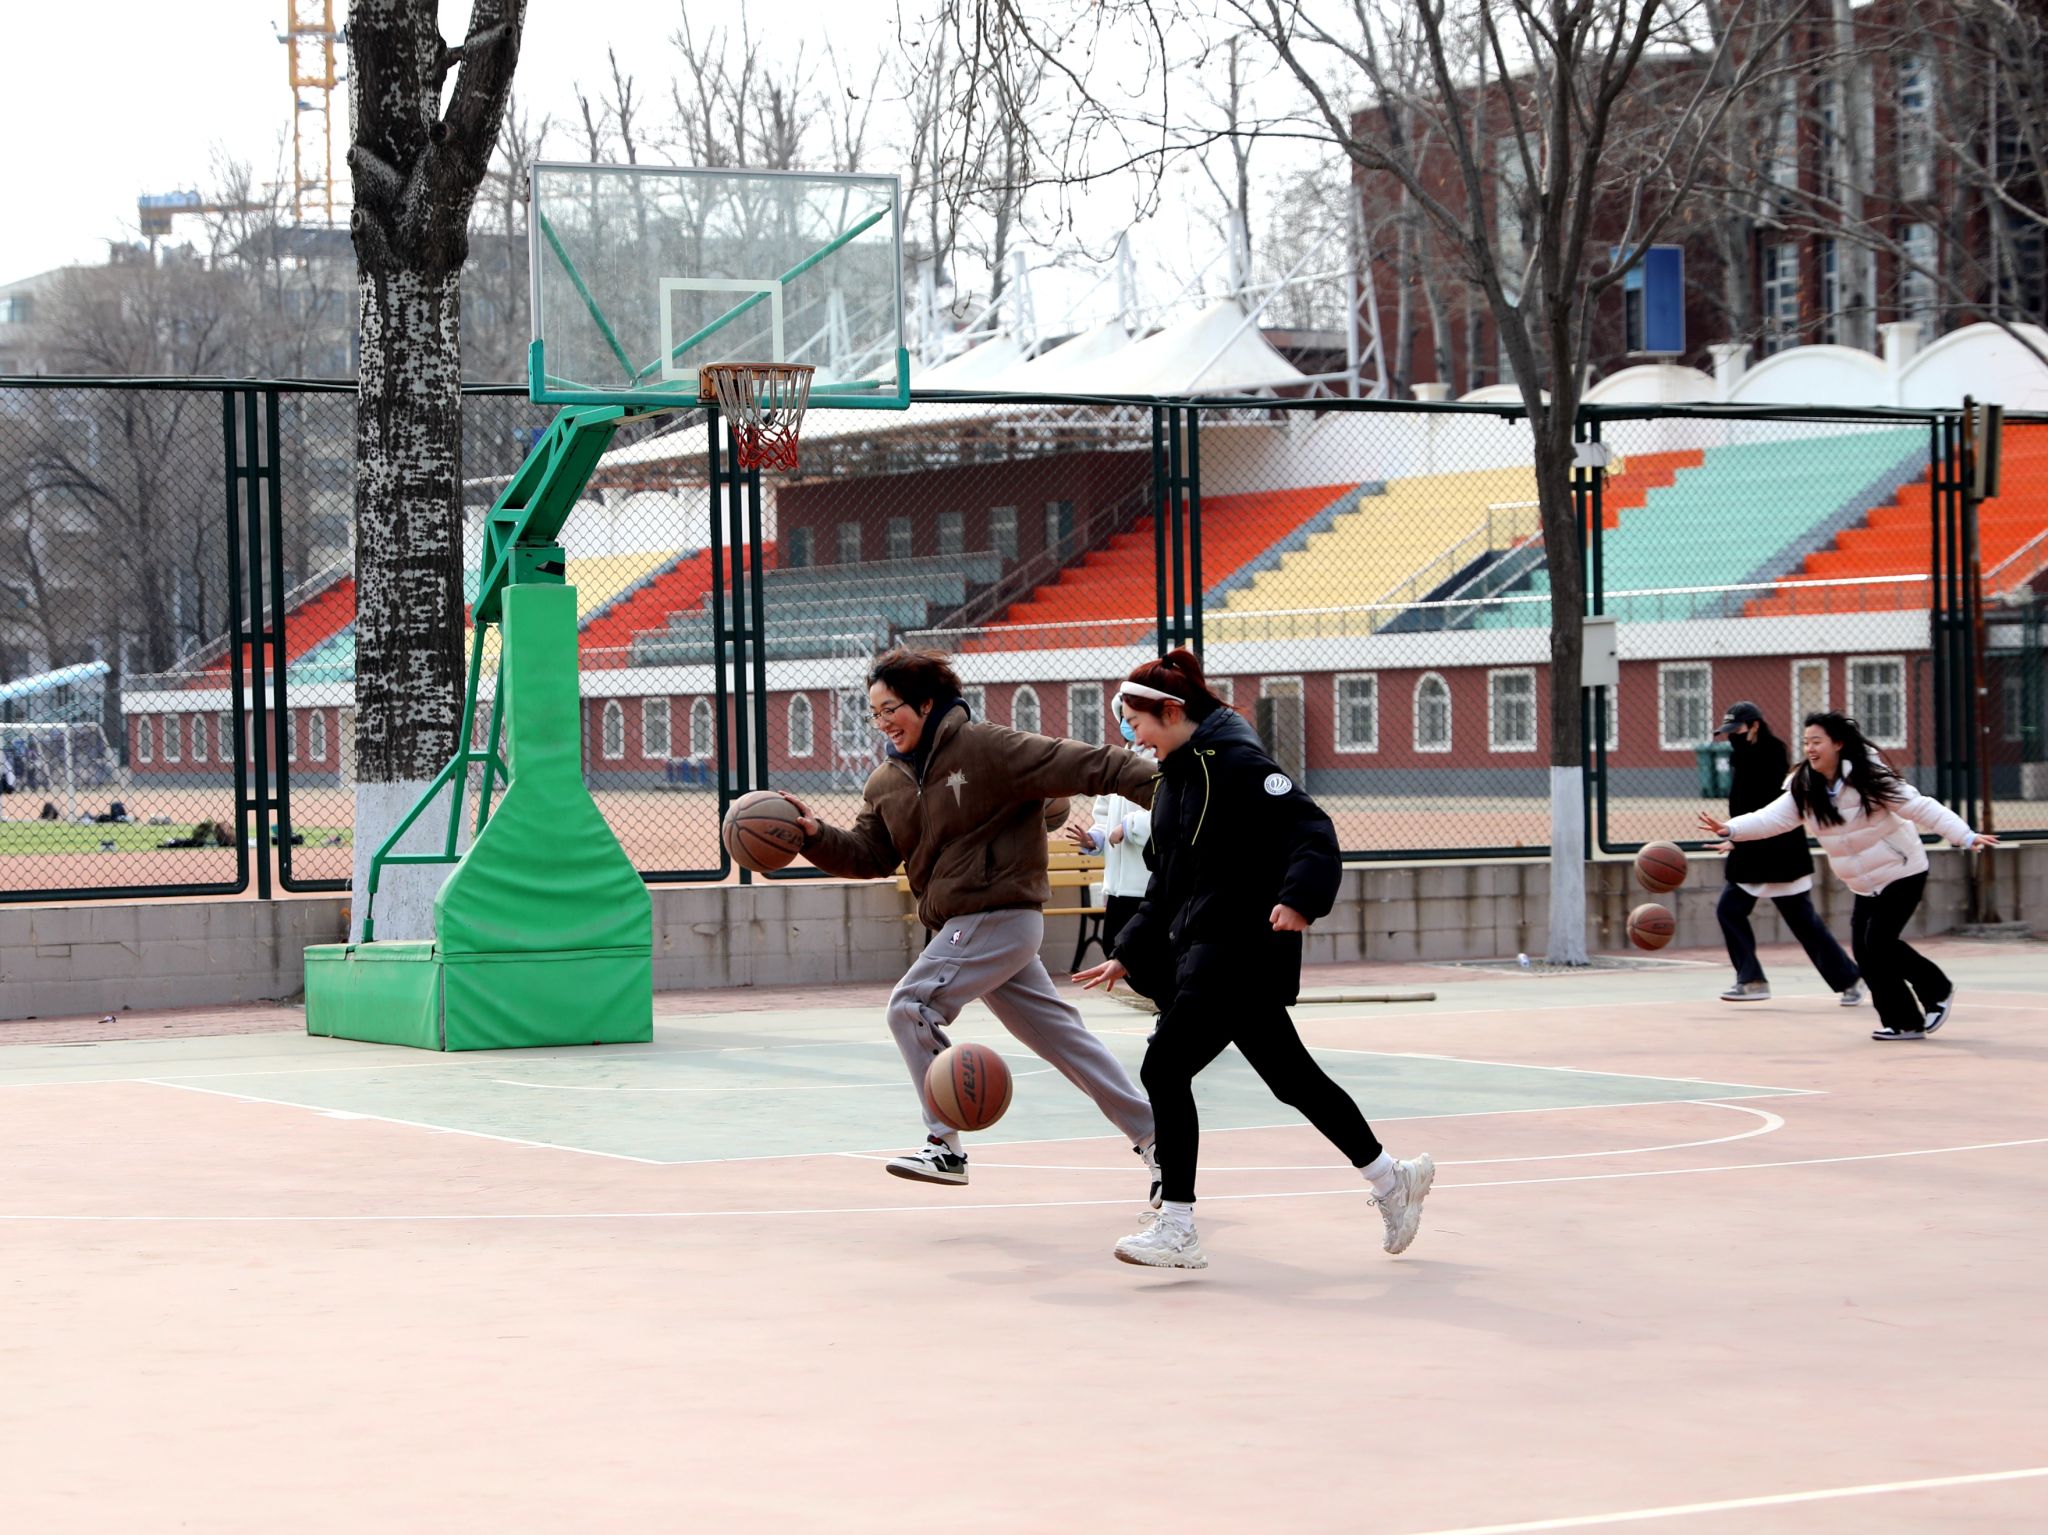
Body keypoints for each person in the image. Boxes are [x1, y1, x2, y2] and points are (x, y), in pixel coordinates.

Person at [1075, 649, 1434, 1270]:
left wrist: (1299, 899)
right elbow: (1166, 883)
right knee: (1292, 1079)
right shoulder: (1174, 782)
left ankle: (1178, 1226)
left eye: (1137, 724)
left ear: (1171, 712)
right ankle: (1391, 1179)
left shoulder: (1237, 765)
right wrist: (1127, 952)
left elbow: (1312, 830)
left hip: (1242, 948)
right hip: (1205, 948)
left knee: (1164, 1068)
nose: (1132, 737)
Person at [783, 648, 1164, 1202]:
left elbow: (1093, 763)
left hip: (999, 914)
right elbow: (868, 854)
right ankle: (1159, 1139)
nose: (883, 721)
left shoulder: (988, 748)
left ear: (926, 703)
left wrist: (1178, 792)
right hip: (969, 928)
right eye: (874, 713)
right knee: (1067, 1042)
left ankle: (944, 1143)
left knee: (910, 1006)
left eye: (891, 708)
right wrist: (815, 837)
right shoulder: (886, 782)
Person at [1699, 710, 1997, 1042]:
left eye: (1817, 742)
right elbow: (1772, 818)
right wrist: (1732, 829)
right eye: (1806, 743)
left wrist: (1965, 835)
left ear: (1838, 743)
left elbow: (1921, 807)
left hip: (1902, 871)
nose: (1810, 749)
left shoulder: (1869, 778)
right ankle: (1904, 1023)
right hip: (1863, 882)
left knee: (1878, 942)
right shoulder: (1805, 785)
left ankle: (1937, 989)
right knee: (1866, 953)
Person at [1706, 700, 1862, 1006]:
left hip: (1779, 851)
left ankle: (1849, 979)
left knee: (1803, 922)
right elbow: (1745, 807)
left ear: (1755, 726)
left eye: (1737, 729)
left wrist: (1739, 835)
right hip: (1751, 847)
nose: (1733, 736)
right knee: (1730, 910)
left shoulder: (1770, 754)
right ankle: (1751, 980)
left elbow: (1771, 810)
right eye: (1729, 731)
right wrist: (1736, 836)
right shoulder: (1742, 755)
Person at [1060, 714, 1153, 954]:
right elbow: (1103, 816)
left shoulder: (1162, 761)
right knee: (1113, 948)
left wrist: (1130, 827)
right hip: (1116, 887)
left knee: (1145, 956)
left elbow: (1169, 815)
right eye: (1124, 717)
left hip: (1147, 887)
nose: (1128, 724)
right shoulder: (1117, 763)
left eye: (1133, 717)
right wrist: (1095, 838)